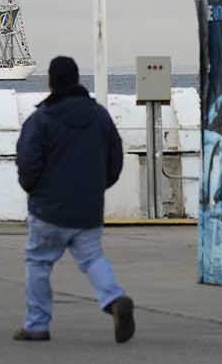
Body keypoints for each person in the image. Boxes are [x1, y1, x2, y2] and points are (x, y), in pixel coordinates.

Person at [12, 56, 134, 344]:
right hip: (87, 207)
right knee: (93, 258)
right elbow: (115, 157)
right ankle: (115, 300)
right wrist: (98, 187)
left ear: (51, 82)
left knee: (38, 263)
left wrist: (33, 190)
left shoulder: (41, 120)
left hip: (47, 210)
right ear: (78, 79)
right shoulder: (99, 115)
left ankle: (37, 325)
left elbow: (28, 161)